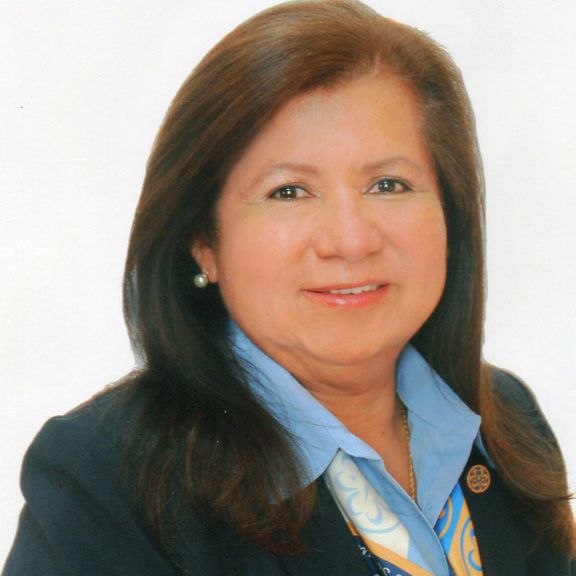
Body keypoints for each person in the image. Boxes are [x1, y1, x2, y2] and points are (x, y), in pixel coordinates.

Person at [3, 0, 574, 574]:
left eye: (388, 184)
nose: (351, 240)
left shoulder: (506, 421)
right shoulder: (106, 485)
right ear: (203, 240)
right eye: (289, 192)